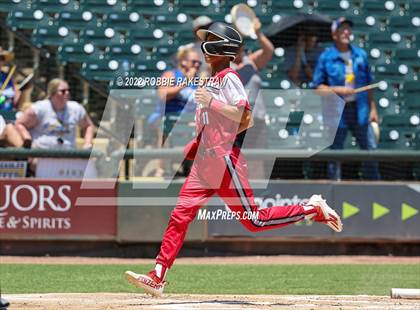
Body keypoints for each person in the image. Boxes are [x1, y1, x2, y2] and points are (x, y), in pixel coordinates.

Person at [125, 22, 343, 297]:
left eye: (211, 40)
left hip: (224, 162)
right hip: (204, 164)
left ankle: (312, 209)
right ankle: (158, 275)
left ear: (223, 48)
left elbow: (246, 117)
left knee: (254, 221)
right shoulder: (211, 80)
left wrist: (213, 110)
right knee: (179, 216)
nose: (205, 45)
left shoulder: (229, 77)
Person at [311, 17, 380, 180]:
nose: (347, 32)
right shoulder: (326, 57)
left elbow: (369, 84)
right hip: (336, 111)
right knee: (336, 151)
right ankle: (335, 186)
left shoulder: (361, 55)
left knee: (370, 149)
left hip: (360, 109)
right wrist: (337, 90)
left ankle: (375, 185)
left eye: (348, 29)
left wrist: (373, 108)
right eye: (342, 29)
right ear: (334, 34)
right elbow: (316, 87)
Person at [146, 47, 201, 177]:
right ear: (183, 61)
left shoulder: (198, 80)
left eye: (199, 63)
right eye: (194, 62)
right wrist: (185, 82)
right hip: (166, 116)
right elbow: (163, 95)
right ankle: (161, 168)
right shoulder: (170, 75)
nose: (197, 65)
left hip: (188, 119)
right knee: (167, 126)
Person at [231, 18, 274, 178]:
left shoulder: (251, 62)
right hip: (236, 122)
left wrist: (258, 33)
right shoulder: (223, 66)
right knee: (237, 161)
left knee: (257, 160)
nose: (236, 51)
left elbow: (269, 50)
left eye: (239, 47)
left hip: (257, 120)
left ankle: (258, 198)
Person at [15, 78, 95, 149]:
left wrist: (87, 143)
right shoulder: (40, 108)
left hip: (68, 154)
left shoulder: (75, 108)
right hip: (42, 153)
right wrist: (28, 140)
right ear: (52, 93)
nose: (67, 93)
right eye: (63, 91)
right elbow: (19, 123)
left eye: (68, 90)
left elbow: (88, 126)